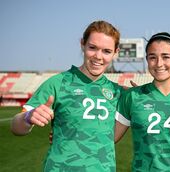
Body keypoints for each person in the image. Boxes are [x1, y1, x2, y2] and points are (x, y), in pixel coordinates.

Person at [11, 20, 123, 171]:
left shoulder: (118, 92)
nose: (98, 56)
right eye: (92, 48)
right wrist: (28, 117)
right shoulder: (57, 83)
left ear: (116, 53)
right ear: (82, 44)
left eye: (106, 51)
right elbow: (16, 128)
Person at [115, 32, 170, 171]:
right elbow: (107, 139)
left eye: (166, 57)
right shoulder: (132, 97)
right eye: (152, 57)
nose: (159, 63)